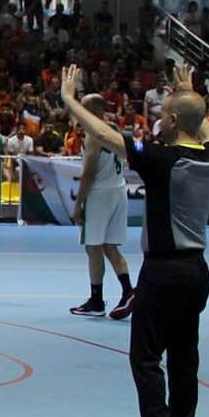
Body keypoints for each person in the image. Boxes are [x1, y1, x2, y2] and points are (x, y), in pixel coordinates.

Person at [62, 62, 209, 417]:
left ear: (173, 120)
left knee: (145, 358)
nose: (157, 120)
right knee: (185, 361)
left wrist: (68, 100)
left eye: (162, 114)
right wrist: (190, 92)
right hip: (196, 271)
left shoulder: (162, 159)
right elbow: (204, 127)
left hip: (163, 272)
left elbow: (103, 135)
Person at [66, 94, 135, 320]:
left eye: (81, 107)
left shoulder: (94, 135)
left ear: (92, 111)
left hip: (99, 195)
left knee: (93, 247)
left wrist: (79, 205)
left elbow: (89, 174)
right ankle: (128, 291)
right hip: (118, 189)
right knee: (110, 247)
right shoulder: (115, 131)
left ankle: (96, 300)